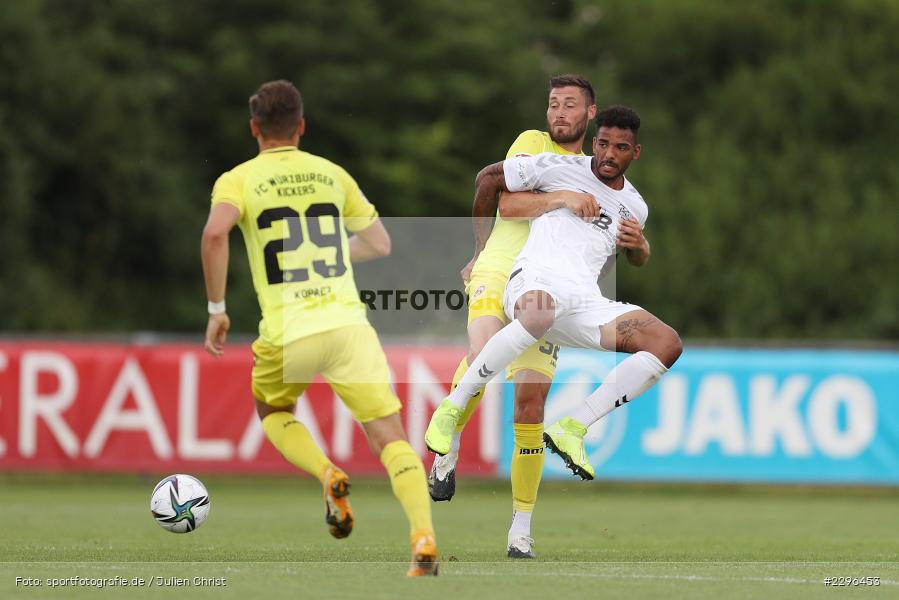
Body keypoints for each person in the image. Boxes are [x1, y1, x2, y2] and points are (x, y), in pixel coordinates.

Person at [200, 80, 438, 577]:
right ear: (301, 126)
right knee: (391, 436)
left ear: (254, 129)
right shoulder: (332, 174)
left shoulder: (238, 179)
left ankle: (327, 472)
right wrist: (330, 254)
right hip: (349, 326)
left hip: (290, 332)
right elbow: (379, 243)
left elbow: (215, 232)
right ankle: (423, 539)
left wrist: (218, 308)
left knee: (273, 409)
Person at [426, 104, 682, 532]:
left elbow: (635, 257)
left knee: (667, 343)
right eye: (602, 143)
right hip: (532, 282)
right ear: (594, 141)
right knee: (540, 315)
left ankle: (573, 427)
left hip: (582, 302)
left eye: (619, 148)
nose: (607, 154)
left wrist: (639, 245)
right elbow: (492, 182)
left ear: (635, 153)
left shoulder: (635, 204)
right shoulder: (559, 166)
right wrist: (481, 249)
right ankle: (451, 409)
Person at [428, 74, 599, 559]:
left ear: (590, 113)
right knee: (483, 354)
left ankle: (520, 530)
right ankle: (448, 451)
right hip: (501, 266)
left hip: (547, 286)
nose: (558, 113)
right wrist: (480, 249)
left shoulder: (595, 171)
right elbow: (506, 198)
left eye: (569, 105)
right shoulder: (533, 143)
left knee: (529, 405)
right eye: (553, 104)